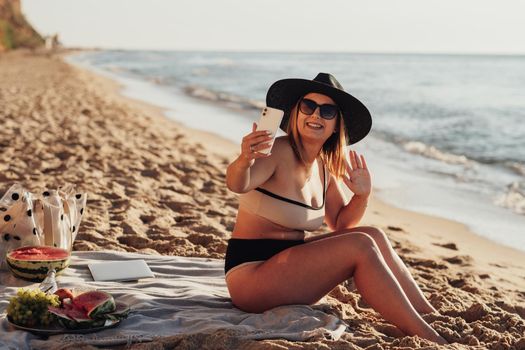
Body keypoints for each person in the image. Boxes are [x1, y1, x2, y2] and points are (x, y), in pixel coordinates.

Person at [224, 73, 448, 345]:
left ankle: (427, 314)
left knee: (372, 234)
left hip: (287, 270)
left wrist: (362, 196)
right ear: (295, 113)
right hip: (251, 277)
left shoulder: (323, 167)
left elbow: (342, 225)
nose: (316, 114)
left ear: (335, 125)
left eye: (327, 111)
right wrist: (245, 159)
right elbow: (238, 183)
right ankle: (427, 336)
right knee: (360, 246)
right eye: (308, 106)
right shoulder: (275, 152)